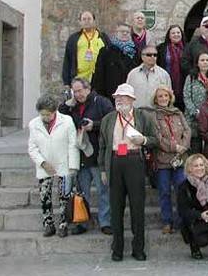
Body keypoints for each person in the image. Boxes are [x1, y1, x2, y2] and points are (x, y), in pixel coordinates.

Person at [98, 83, 159, 261]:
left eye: (124, 98)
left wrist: (144, 140)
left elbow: (155, 139)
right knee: (116, 208)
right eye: (117, 98)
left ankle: (138, 248)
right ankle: (117, 249)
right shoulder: (108, 119)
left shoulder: (142, 117)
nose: (120, 101)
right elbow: (102, 147)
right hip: (115, 161)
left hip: (134, 161)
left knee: (137, 207)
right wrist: (102, 169)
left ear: (132, 100)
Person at [58, 77, 114, 236]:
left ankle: (105, 222)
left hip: (97, 154)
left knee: (104, 191)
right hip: (80, 156)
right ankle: (82, 222)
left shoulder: (101, 102)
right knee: (82, 193)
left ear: (88, 89)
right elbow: (60, 119)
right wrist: (65, 105)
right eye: (74, 92)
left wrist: (94, 125)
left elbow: (112, 121)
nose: (77, 94)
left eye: (79, 91)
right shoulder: (72, 106)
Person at [28, 94, 79, 238]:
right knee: (45, 196)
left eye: (48, 114)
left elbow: (72, 144)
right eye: (42, 114)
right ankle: (48, 224)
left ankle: (63, 223)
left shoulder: (67, 121)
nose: (45, 117)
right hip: (45, 165)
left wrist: (73, 166)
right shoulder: (34, 124)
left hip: (63, 163)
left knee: (64, 195)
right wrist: (42, 163)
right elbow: (32, 148)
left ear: (55, 111)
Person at [148, 86, 191, 235]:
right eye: (160, 96)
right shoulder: (153, 116)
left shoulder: (177, 112)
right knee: (165, 192)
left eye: (165, 96)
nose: (163, 99)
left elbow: (187, 131)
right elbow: (158, 138)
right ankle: (167, 221)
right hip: (163, 161)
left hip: (180, 160)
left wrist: (183, 147)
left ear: (170, 97)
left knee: (181, 191)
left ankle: (181, 221)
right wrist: (175, 147)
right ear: (156, 99)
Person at [92, 22, 140, 103]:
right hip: (110, 93)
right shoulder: (106, 51)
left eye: (127, 32)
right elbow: (99, 74)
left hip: (130, 93)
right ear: (116, 33)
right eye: (122, 31)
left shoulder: (136, 52)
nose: (125, 33)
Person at [62, 11, 111, 87]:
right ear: (80, 22)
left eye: (89, 19)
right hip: (79, 79)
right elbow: (67, 60)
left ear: (94, 21)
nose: (86, 21)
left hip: (100, 79)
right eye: (84, 19)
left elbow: (110, 57)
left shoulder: (103, 37)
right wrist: (66, 82)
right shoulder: (74, 39)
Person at [183, 51, 208, 154]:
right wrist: (195, 113)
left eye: (207, 60)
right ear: (197, 63)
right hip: (193, 121)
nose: (205, 62)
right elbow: (186, 97)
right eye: (202, 60)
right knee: (194, 151)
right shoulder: (191, 78)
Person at [126, 44, 172, 108]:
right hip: (137, 113)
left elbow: (169, 97)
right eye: (149, 55)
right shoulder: (133, 74)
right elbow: (127, 96)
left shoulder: (164, 74)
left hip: (157, 114)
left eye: (155, 55)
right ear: (142, 56)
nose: (152, 57)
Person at [157, 25, 186, 111]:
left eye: (178, 32)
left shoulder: (187, 48)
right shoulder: (161, 48)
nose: (176, 35)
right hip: (166, 83)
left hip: (182, 84)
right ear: (169, 35)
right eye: (173, 33)